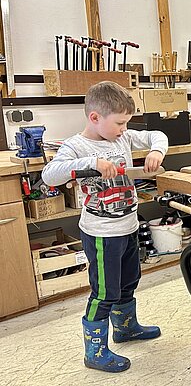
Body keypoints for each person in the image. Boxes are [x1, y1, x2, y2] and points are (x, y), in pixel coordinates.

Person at [42, 81, 168, 372]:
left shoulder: (121, 138)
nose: (124, 129)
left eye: (127, 123)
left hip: (128, 227)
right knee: (104, 293)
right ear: (95, 117)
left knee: (128, 282)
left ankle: (126, 328)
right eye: (120, 123)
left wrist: (156, 152)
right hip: (101, 234)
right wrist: (92, 163)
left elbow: (158, 135)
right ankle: (95, 351)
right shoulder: (76, 146)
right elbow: (50, 176)